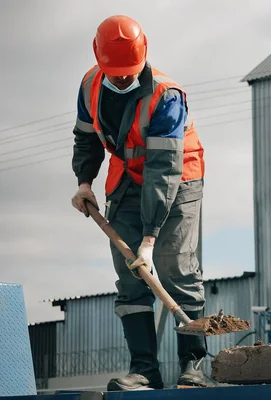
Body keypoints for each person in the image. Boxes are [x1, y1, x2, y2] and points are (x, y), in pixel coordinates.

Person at [70, 15, 208, 390]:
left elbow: (163, 171)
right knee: (131, 275)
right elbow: (86, 139)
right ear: (99, 61)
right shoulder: (89, 86)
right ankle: (144, 370)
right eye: (115, 73)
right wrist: (84, 182)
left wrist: (149, 241)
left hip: (178, 179)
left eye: (128, 73)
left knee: (173, 265)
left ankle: (193, 367)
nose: (122, 79)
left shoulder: (167, 95)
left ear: (142, 56)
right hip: (127, 178)